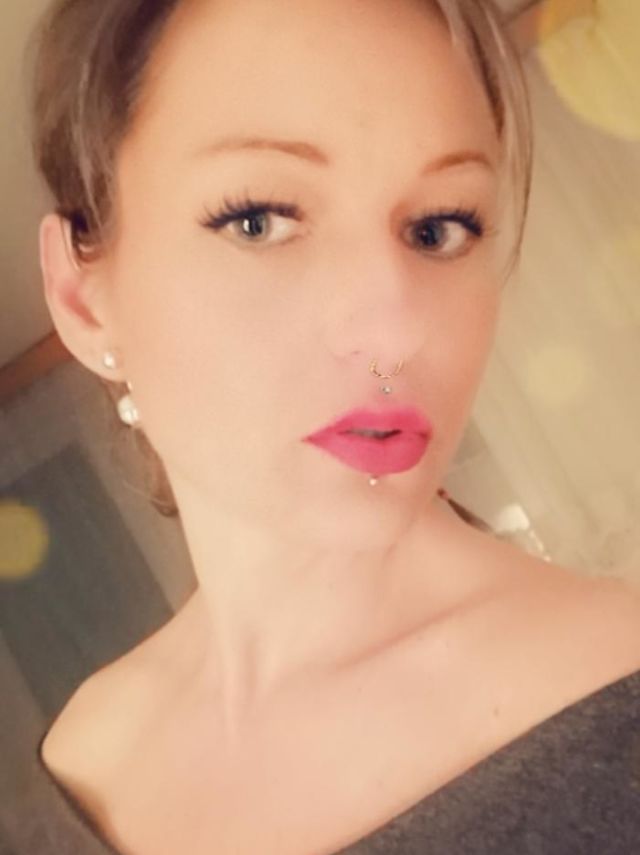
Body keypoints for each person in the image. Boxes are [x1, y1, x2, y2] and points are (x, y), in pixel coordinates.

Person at [26, 0, 640, 852]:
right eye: (259, 219)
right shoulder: (75, 764)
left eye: (440, 227)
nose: (395, 332)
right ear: (83, 298)